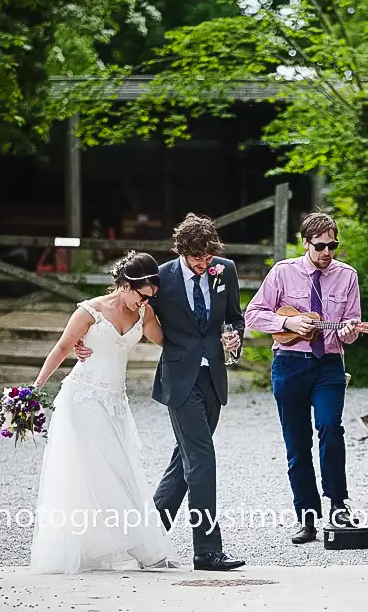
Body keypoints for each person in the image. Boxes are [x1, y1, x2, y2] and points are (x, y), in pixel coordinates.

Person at [74, 213, 246, 572]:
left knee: (183, 464)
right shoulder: (161, 277)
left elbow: (234, 316)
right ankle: (207, 550)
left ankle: (148, 538)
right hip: (179, 379)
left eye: (208, 258)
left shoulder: (225, 270)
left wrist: (233, 335)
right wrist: (83, 338)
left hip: (213, 377)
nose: (203, 265)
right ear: (182, 251)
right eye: (196, 258)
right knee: (201, 459)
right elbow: (115, 302)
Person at [29, 251, 177, 574]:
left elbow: (170, 342)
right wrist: (35, 389)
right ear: (125, 284)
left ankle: (99, 545)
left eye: (150, 297)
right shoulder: (90, 312)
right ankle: (142, 547)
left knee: (114, 471)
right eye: (141, 296)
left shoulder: (145, 314)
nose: (144, 303)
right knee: (113, 468)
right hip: (83, 399)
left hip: (116, 404)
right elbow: (62, 347)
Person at [244, 212, 363, 544]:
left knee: (330, 427)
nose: (327, 252)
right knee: (297, 443)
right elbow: (253, 314)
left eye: (333, 245)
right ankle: (307, 517)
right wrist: (287, 324)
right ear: (306, 242)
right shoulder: (283, 272)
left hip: (329, 364)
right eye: (321, 245)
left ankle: (338, 505)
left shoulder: (347, 276)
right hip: (289, 364)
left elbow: (350, 330)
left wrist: (350, 331)